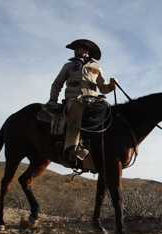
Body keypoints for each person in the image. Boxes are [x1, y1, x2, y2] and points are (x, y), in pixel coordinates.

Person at [46, 39, 117, 167]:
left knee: (108, 113)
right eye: (75, 49)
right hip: (74, 99)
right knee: (77, 108)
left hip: (92, 100)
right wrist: (53, 100)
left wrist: (111, 86)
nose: (75, 51)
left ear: (86, 51)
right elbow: (57, 84)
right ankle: (72, 149)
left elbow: (103, 88)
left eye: (78, 49)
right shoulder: (68, 66)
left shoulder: (96, 68)